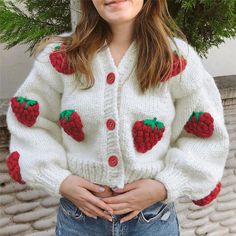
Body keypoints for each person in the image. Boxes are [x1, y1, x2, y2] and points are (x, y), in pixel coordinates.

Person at [6, 0, 230, 235]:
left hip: (152, 222)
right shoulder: (61, 57)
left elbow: (204, 133)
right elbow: (31, 123)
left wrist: (164, 186)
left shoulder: (176, 58)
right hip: (78, 221)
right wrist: (59, 180)